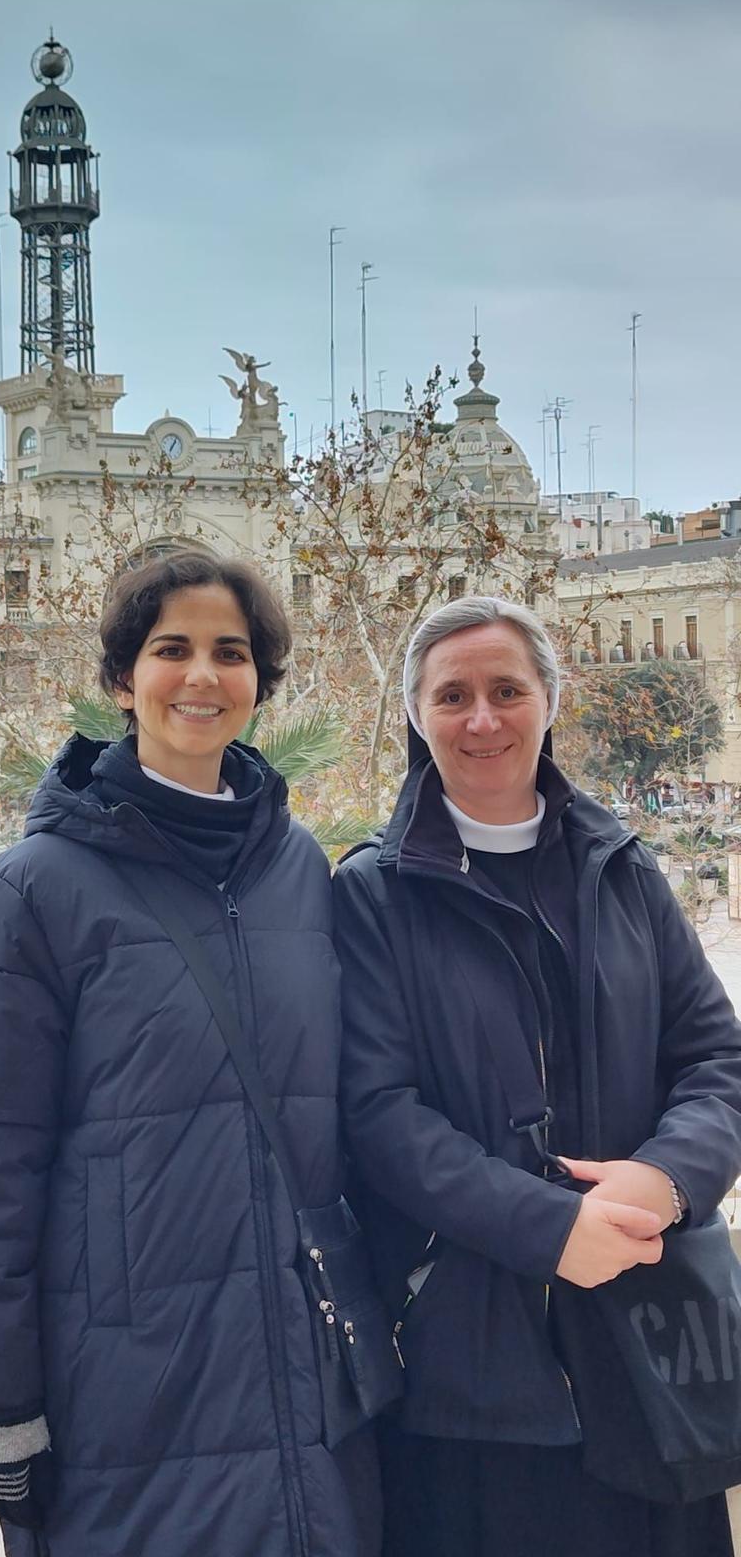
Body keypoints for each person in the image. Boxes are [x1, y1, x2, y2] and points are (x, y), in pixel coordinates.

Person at [0, 551, 380, 1557]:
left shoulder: (300, 872)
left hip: (305, 1389)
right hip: (126, 1394)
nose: (201, 676)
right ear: (121, 679)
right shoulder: (37, 888)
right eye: (170, 648)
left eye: (230, 651)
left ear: (261, 681)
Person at [333, 596, 741, 1557]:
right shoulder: (372, 895)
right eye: (454, 695)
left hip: (646, 1360)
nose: (483, 719)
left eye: (507, 690)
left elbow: (714, 1058)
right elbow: (379, 1116)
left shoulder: (624, 871)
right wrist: (551, 1229)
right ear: (417, 715)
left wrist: (666, 1179)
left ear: (549, 702)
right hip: (472, 1380)